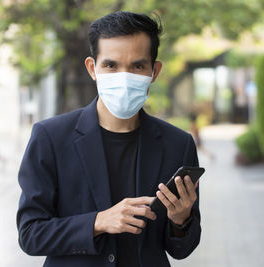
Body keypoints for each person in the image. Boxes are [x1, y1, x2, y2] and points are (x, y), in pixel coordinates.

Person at [16, 11, 201, 267]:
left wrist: (181, 221)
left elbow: (182, 250)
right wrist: (98, 222)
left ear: (154, 71)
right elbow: (30, 234)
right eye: (111, 65)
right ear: (93, 68)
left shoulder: (177, 145)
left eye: (137, 66)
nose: (124, 77)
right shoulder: (50, 138)